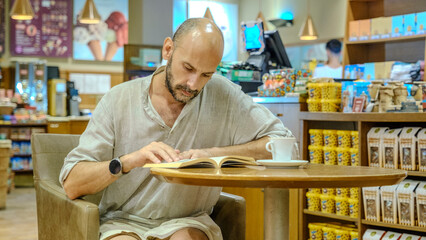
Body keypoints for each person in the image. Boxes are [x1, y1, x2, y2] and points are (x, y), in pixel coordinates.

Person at [60, 18, 293, 240]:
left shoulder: (224, 95)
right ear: (168, 49)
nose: (193, 84)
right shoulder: (117, 100)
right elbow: (72, 184)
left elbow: (285, 144)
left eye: (206, 74)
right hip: (122, 221)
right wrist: (128, 161)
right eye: (188, 68)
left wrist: (214, 154)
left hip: (189, 221)